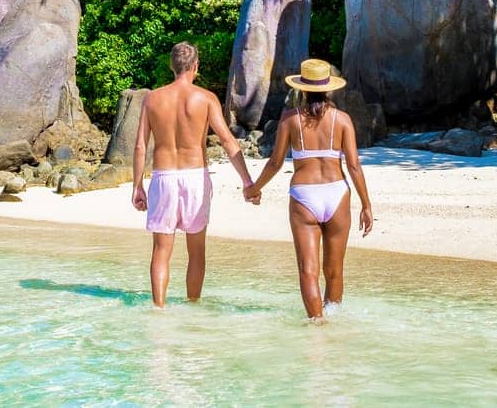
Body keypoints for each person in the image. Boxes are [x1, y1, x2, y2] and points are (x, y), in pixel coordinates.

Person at [245, 58, 374, 320]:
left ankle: (317, 327)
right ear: (329, 88)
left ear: (302, 88)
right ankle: (333, 320)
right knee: (334, 269)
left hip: (304, 195)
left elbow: (275, 162)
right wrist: (366, 205)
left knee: (308, 270)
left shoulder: (290, 119)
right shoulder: (343, 120)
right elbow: (354, 166)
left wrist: (254, 188)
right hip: (337, 193)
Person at [132, 41, 255, 309]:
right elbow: (228, 142)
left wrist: (137, 185)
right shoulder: (206, 99)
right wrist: (248, 182)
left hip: (163, 178)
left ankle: (159, 310)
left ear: (171, 66)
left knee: (161, 251)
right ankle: (193, 307)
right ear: (195, 66)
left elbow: (141, 145)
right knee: (196, 252)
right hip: (195, 178)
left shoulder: (152, 99)